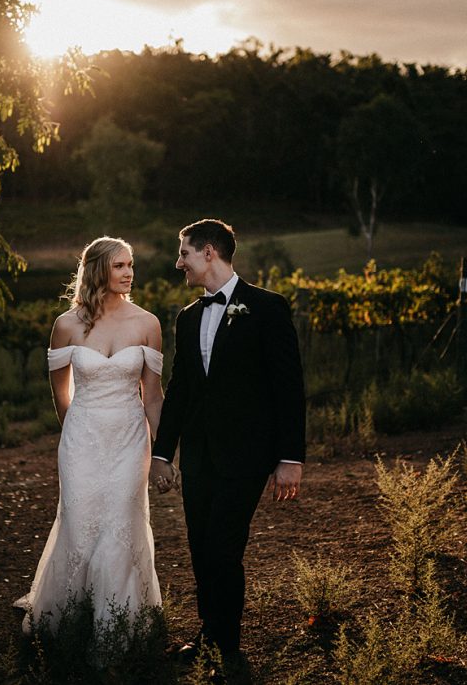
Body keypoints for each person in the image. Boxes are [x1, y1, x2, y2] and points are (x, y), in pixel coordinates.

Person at [150, 218, 306, 668]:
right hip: (199, 454)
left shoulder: (267, 307)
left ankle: (230, 651)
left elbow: (288, 387)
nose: (178, 263)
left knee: (223, 547)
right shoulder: (188, 317)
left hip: (247, 456)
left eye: (184, 253)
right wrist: (162, 453)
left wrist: (290, 458)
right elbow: (180, 390)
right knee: (201, 546)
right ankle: (209, 634)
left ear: (209, 252)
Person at [15, 236, 165, 644]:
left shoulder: (148, 323)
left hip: (130, 439)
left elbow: (153, 396)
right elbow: (60, 394)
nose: (129, 272)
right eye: (120, 265)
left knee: (121, 522)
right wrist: (76, 434)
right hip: (81, 439)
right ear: (98, 270)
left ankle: (118, 624)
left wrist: (165, 451)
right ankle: (70, 617)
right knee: (79, 521)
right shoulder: (66, 325)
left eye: (131, 264)